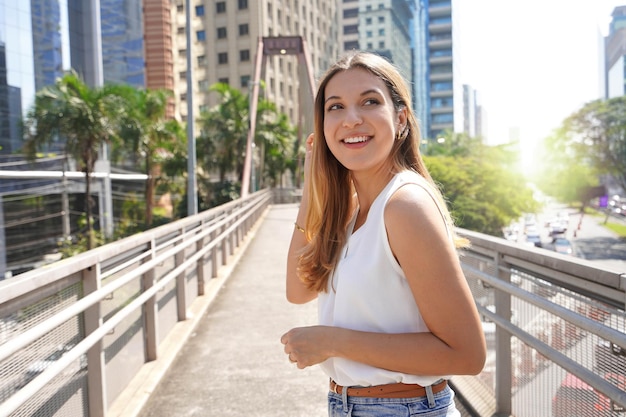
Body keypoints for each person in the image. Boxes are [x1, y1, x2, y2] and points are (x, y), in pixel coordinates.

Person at [281, 51, 486, 416]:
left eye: (370, 102)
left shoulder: (404, 206)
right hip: (351, 405)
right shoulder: (354, 209)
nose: (351, 119)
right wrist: (313, 185)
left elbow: (466, 354)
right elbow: (298, 291)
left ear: (401, 118)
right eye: (336, 107)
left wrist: (331, 342)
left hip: (402, 407)